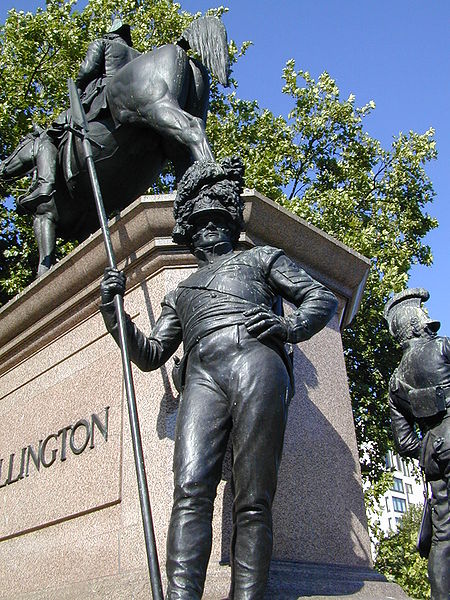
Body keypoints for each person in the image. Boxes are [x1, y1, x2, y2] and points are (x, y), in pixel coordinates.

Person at [100, 157, 338, 599]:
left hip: (256, 362)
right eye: (202, 223)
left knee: (252, 496)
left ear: (231, 225)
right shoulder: (180, 292)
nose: (211, 229)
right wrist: (114, 314)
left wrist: (289, 328)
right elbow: (151, 354)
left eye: (219, 221)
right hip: (202, 376)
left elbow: (318, 297)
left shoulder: (263, 259)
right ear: (190, 233)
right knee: (189, 488)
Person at [19, 19, 138, 210]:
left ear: (110, 33)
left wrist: (80, 85)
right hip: (133, 100)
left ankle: (45, 185)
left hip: (102, 95)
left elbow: (86, 71)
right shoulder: (140, 56)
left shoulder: (102, 43)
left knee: (50, 133)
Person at [385, 288, 450, 600]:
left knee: (444, 535)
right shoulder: (442, 347)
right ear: (413, 323)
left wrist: (430, 445)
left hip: (434, 454)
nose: (427, 317)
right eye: (422, 313)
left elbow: (404, 440)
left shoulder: (395, 381)